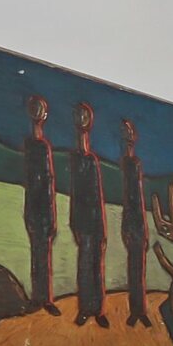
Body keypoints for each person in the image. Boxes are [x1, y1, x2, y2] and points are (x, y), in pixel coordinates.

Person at [67, 102, 107, 327]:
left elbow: (97, 196)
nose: (82, 121)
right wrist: (74, 224)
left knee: (96, 267)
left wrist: (101, 228)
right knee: (84, 266)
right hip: (83, 224)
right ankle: (85, 309)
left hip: (95, 224)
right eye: (79, 117)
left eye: (85, 117)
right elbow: (75, 194)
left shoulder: (92, 161)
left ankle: (98, 310)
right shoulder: (76, 160)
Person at [20, 95, 57, 311]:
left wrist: (51, 216)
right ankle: (39, 298)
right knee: (38, 255)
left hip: (44, 212)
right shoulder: (33, 148)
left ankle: (46, 299)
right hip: (35, 211)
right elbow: (32, 184)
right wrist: (29, 214)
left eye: (40, 110)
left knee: (44, 255)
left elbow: (48, 184)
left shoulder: (43, 148)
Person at [117, 117, 151, 329]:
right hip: (131, 224)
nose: (128, 137)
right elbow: (129, 202)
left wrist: (144, 231)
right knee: (133, 271)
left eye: (130, 133)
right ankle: (134, 311)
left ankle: (140, 312)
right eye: (125, 133)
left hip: (138, 224)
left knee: (139, 273)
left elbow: (137, 199)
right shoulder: (127, 165)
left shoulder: (135, 165)